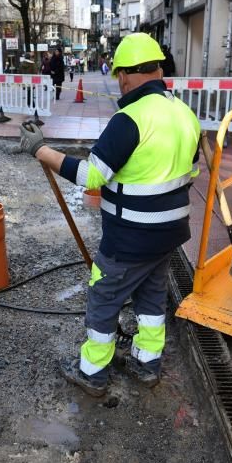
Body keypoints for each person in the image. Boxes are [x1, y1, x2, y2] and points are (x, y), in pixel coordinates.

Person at [18, 33, 202, 396]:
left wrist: (40, 149)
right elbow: (191, 169)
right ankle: (148, 364)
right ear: (159, 69)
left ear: (124, 75)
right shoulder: (185, 114)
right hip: (170, 235)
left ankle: (92, 372)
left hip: (130, 238)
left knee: (103, 299)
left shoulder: (130, 119)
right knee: (151, 296)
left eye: (120, 74)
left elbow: (91, 176)